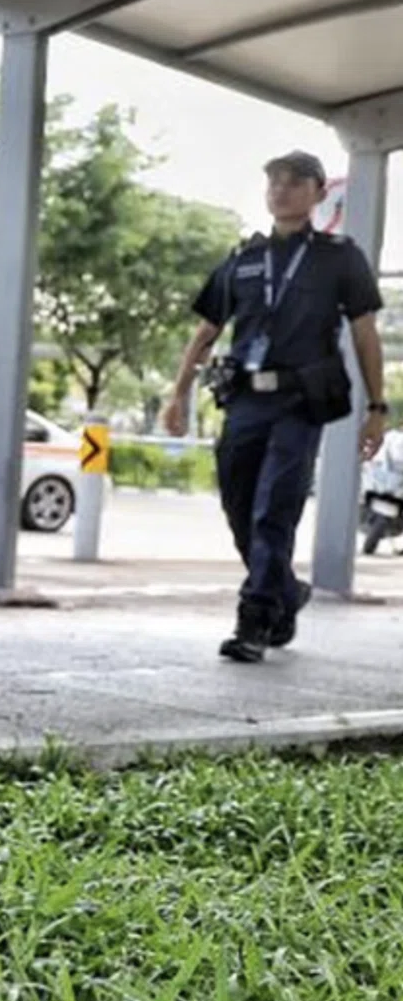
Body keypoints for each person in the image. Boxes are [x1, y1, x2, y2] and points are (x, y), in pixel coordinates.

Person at [162, 150, 388, 661]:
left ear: (316, 191)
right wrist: (177, 393)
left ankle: (256, 620)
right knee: (239, 507)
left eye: (292, 182)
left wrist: (377, 406)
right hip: (244, 402)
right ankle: (286, 590)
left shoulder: (339, 257)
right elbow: (206, 330)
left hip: (299, 403)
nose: (280, 190)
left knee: (273, 511)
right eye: (273, 183)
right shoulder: (244, 258)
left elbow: (365, 333)